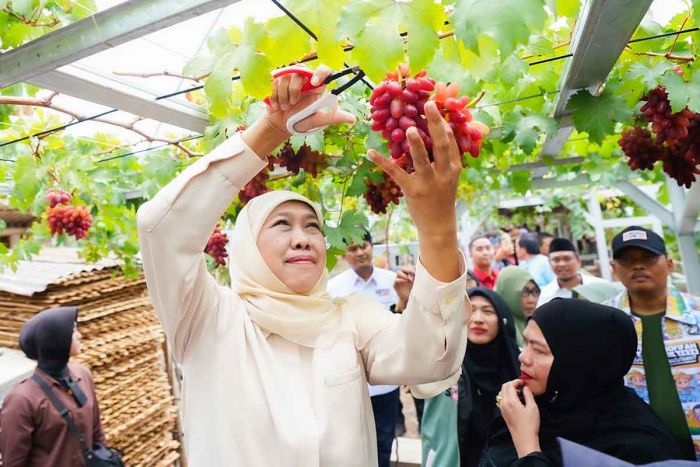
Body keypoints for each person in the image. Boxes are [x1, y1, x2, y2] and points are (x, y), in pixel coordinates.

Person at [136, 65, 468, 466]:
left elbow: (432, 355)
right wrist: (271, 131)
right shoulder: (207, 319)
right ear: (246, 247)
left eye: (312, 226)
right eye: (282, 225)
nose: (302, 238)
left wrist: (437, 229)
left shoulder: (350, 319)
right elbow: (162, 227)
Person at [480, 299, 682, 466]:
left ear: (578, 363)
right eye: (526, 343)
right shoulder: (529, 409)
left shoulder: (638, 445)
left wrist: (528, 447)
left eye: (539, 350)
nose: (523, 357)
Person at [605, 226, 700, 460]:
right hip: (636, 452)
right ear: (614, 269)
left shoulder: (697, 314)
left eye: (648, 258)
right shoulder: (601, 322)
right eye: (627, 260)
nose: (638, 266)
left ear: (669, 265)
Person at [327, 230, 400, 467]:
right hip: (353, 381)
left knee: (384, 440)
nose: (360, 253)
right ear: (344, 256)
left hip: (387, 380)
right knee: (353, 441)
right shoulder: (334, 288)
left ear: (372, 247)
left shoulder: (394, 281)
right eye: (353, 249)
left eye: (364, 246)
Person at [0, 307, 106, 467]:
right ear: (55, 339)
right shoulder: (22, 400)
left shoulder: (82, 375)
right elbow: (13, 462)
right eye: (73, 331)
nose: (79, 335)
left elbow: (97, 433)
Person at [458, 288, 520, 467]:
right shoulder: (447, 368)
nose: (477, 319)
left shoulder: (520, 367)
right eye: (470, 310)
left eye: (488, 311)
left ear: (502, 319)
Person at [537, 238, 609, 307]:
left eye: (567, 259)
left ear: (578, 261)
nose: (562, 264)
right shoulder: (545, 295)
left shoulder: (600, 286)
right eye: (556, 260)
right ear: (549, 263)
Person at [494, 266, 540, 347]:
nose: (531, 300)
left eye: (535, 292)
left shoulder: (537, 327)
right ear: (507, 294)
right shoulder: (496, 332)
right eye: (525, 292)